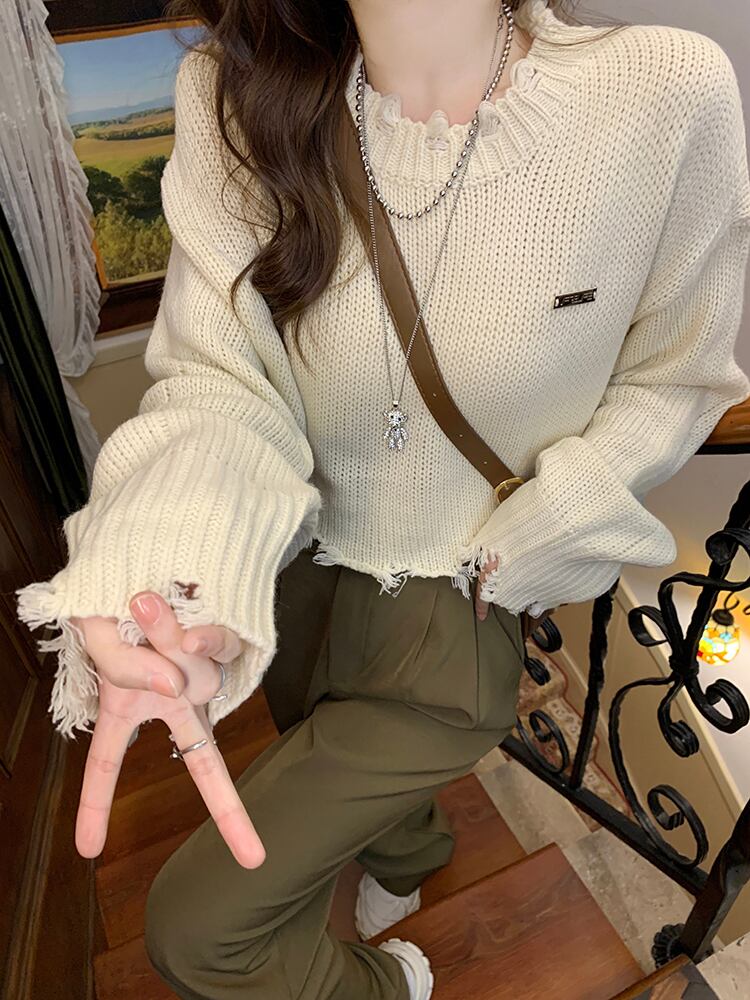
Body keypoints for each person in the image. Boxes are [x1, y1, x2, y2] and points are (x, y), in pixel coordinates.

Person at [16, 0, 750, 997]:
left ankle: (392, 981)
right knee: (317, 734)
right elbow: (222, 382)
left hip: (462, 601)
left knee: (198, 929)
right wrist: (164, 562)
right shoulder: (234, 94)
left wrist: (547, 523)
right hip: (298, 568)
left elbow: (677, 375)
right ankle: (410, 855)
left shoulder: (663, 94)